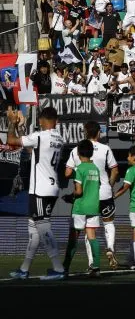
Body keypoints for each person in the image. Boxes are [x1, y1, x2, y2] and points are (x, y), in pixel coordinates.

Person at [5, 106, 66, 280]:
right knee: (35, 228)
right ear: (57, 121)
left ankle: (58, 268)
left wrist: (12, 122)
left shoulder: (40, 136)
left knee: (43, 226)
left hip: (40, 189)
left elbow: (11, 140)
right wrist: (21, 128)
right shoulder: (59, 138)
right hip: (52, 187)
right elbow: (33, 151)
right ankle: (24, 269)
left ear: (40, 121)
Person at [65, 121, 119, 270]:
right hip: (104, 192)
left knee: (87, 231)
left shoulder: (77, 150)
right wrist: (110, 185)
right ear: (98, 133)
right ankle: (110, 248)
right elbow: (114, 170)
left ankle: (90, 263)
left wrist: (79, 176)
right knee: (108, 222)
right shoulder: (105, 148)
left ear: (85, 132)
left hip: (86, 195)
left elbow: (68, 172)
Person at [63, 139, 101, 277]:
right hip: (94, 206)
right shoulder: (95, 169)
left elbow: (78, 191)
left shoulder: (79, 169)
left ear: (78, 153)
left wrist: (69, 197)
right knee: (92, 237)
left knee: (73, 238)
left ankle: (65, 268)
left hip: (80, 208)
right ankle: (96, 268)